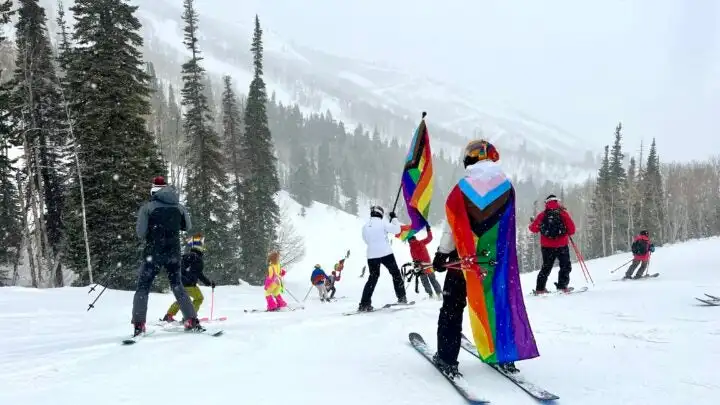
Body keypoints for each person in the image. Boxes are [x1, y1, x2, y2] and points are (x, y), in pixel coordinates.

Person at [432, 140, 538, 377]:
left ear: (470, 159)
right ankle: (504, 356)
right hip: (495, 262)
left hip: (464, 261)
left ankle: (447, 358)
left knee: (452, 307)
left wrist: (442, 253)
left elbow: (453, 224)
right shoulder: (507, 187)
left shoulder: (462, 187)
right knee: (499, 306)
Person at [131, 176, 203, 336]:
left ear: (153, 190)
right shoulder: (179, 207)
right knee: (178, 286)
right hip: (173, 253)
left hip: (153, 253)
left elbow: (140, 233)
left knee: (143, 287)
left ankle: (139, 325)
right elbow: (187, 226)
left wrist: (153, 230)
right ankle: (191, 319)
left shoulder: (147, 207)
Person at [358, 205, 408, 312]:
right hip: (386, 253)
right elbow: (397, 230)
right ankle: (402, 297)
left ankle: (364, 303)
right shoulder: (383, 223)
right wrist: (394, 218)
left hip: (371, 255)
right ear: (380, 213)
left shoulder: (365, 226)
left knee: (372, 278)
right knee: (396, 274)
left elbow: (366, 241)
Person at [161, 233, 216, 322]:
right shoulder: (198, 259)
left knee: (182, 299)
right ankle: (190, 317)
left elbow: (178, 268)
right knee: (199, 298)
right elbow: (199, 274)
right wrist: (209, 283)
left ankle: (169, 316)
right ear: (200, 249)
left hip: (179, 283)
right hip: (189, 284)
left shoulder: (185, 256)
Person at [528, 194, 577, 293]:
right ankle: (562, 287)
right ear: (556, 202)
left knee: (546, 267)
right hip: (562, 245)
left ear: (546, 203)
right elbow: (572, 230)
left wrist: (535, 223)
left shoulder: (542, 215)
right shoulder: (563, 213)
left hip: (547, 246)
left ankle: (540, 289)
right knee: (565, 266)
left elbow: (533, 229)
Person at [407, 225, 442, 299]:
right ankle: (436, 294)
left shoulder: (416, 245)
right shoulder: (419, 243)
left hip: (424, 266)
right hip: (424, 266)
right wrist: (428, 230)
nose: (411, 242)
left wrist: (428, 230)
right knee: (430, 280)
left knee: (427, 281)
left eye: (411, 240)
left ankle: (434, 295)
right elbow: (430, 238)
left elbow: (429, 238)